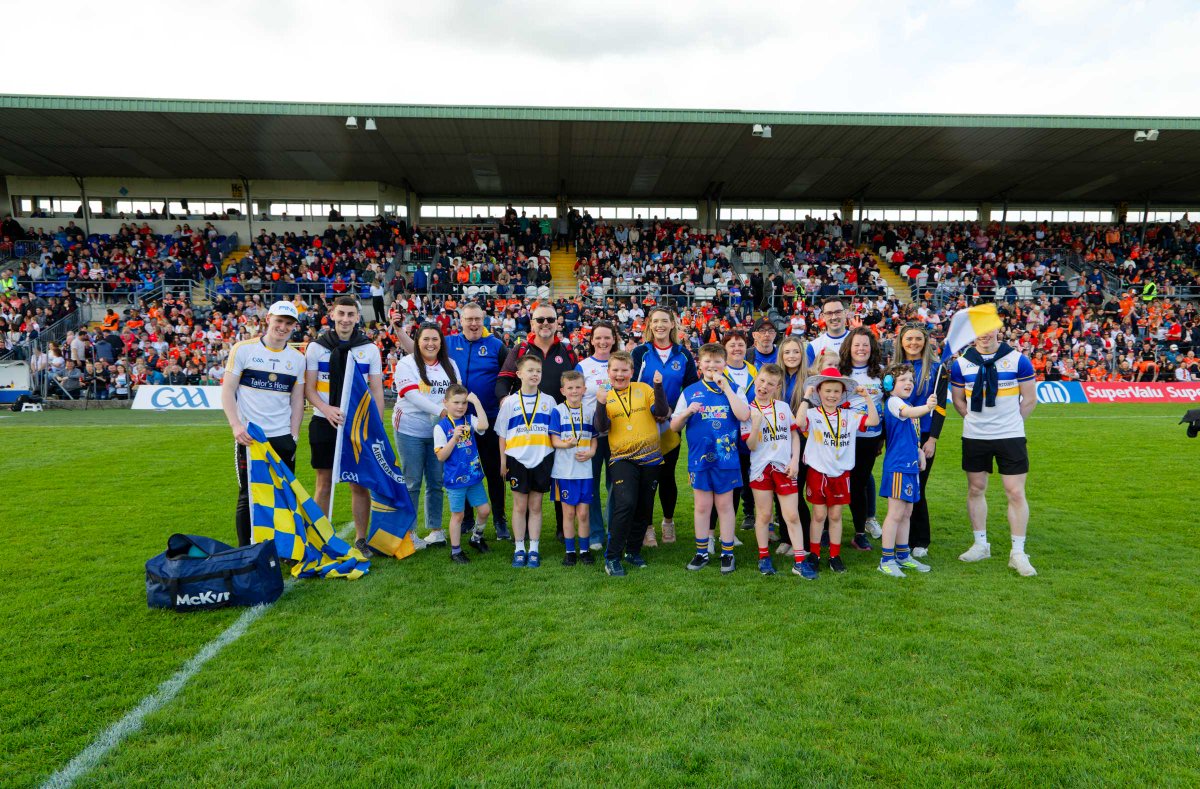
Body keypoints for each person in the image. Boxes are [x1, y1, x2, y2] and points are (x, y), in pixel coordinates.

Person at [950, 328, 1038, 577]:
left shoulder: (1018, 360)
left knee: (1015, 492)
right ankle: (980, 544)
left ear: (997, 330)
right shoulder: (962, 364)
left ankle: (1018, 552)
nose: (983, 335)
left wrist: (1011, 424)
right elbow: (958, 400)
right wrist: (975, 422)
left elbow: (1030, 399)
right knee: (976, 488)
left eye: (987, 329)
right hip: (975, 436)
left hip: (1010, 436)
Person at [304, 295, 387, 556]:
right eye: (341, 314)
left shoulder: (369, 348)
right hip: (323, 421)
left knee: (358, 484)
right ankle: (319, 538)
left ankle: (361, 540)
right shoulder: (316, 348)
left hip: (357, 426)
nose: (345, 319)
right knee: (324, 482)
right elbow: (309, 389)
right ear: (332, 314)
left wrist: (375, 426)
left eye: (351, 314)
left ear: (357, 317)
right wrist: (327, 409)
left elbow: (376, 391)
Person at [223, 300, 305, 547]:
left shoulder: (297, 359)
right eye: (279, 321)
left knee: (284, 494)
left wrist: (294, 435)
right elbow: (227, 390)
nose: (282, 327)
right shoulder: (243, 349)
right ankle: (246, 551)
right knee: (247, 496)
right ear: (268, 318)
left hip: (282, 437)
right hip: (251, 437)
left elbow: (297, 400)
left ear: (294, 327)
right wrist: (236, 426)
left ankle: (282, 547)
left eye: (288, 323)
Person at [496, 302, 577, 540]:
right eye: (540, 319)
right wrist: (504, 401)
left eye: (550, 320)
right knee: (532, 486)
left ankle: (564, 528)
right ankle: (526, 537)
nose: (545, 324)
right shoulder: (521, 350)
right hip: (530, 431)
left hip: (561, 425)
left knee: (563, 476)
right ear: (532, 323)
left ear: (557, 323)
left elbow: (576, 382)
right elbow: (503, 380)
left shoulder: (567, 351)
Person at [671, 342, 751, 574]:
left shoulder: (735, 388)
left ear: (724, 364)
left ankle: (727, 553)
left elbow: (744, 415)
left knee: (725, 506)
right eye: (707, 361)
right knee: (702, 506)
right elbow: (674, 425)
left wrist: (726, 388)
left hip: (726, 458)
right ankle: (701, 552)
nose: (712, 366)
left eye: (717, 361)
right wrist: (687, 412)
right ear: (700, 364)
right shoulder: (690, 391)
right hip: (700, 460)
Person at [795, 366, 879, 580]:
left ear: (842, 394)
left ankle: (834, 555)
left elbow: (873, 421)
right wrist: (806, 397)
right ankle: (814, 554)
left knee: (835, 515)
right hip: (818, 472)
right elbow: (798, 422)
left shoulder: (850, 415)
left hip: (841, 474)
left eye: (836, 391)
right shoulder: (813, 414)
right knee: (819, 515)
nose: (831, 395)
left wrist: (867, 397)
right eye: (827, 391)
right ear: (819, 392)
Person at [593, 351, 670, 577]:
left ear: (632, 372)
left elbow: (662, 412)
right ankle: (612, 557)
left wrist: (657, 386)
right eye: (615, 370)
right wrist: (600, 403)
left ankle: (633, 551)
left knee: (644, 507)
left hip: (651, 458)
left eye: (624, 370)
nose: (620, 374)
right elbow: (601, 427)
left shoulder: (643, 389)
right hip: (622, 458)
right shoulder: (605, 395)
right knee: (625, 503)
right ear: (608, 372)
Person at [632, 307, 699, 546]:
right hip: (643, 424)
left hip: (671, 424)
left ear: (673, 324)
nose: (660, 325)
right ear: (650, 325)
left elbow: (691, 389)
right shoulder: (640, 352)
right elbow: (631, 386)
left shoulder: (683, 355)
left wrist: (671, 410)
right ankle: (647, 526)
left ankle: (668, 522)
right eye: (655, 321)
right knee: (646, 476)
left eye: (665, 321)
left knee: (667, 476)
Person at [444, 302, 510, 541]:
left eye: (477, 319)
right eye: (468, 319)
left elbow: (509, 375)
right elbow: (421, 354)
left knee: (494, 471)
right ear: (460, 320)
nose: (473, 324)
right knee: (464, 468)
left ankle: (500, 519)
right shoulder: (449, 343)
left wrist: (505, 399)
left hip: (489, 419)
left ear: (484, 321)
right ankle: (467, 518)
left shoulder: (496, 345)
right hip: (460, 421)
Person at [394, 322, 461, 546]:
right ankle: (409, 532)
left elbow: (457, 392)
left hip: (439, 433)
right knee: (412, 481)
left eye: (435, 339)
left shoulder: (449, 364)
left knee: (436, 481)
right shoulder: (406, 363)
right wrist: (442, 411)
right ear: (417, 341)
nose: (430, 343)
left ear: (441, 342)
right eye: (426, 339)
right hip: (410, 430)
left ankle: (435, 529)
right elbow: (411, 395)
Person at [741, 364, 805, 576]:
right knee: (764, 515)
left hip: (784, 468)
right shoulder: (747, 411)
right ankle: (764, 557)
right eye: (761, 381)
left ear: (777, 387)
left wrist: (795, 460)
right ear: (756, 380)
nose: (764, 386)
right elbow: (750, 445)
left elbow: (794, 434)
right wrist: (756, 425)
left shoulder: (784, 407)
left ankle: (800, 560)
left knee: (792, 515)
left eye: (770, 383)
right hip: (760, 469)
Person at [891, 323, 949, 557]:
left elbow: (941, 408)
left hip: (923, 435)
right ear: (901, 341)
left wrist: (933, 438)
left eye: (918, 339)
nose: (913, 343)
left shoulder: (937, 368)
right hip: (900, 435)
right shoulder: (893, 368)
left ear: (925, 342)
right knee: (899, 486)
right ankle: (901, 536)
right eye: (908, 339)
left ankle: (920, 540)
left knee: (917, 486)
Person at [876, 365, 939, 578]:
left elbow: (913, 434)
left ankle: (903, 555)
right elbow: (909, 413)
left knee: (907, 513)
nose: (909, 383)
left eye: (911, 379)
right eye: (902, 379)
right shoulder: (895, 402)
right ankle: (886, 559)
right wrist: (928, 407)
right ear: (890, 385)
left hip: (911, 466)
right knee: (895, 513)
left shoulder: (909, 404)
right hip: (898, 467)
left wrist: (920, 451)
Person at [496, 355, 556, 569]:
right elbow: (502, 434)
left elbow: (555, 433)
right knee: (520, 507)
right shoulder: (510, 402)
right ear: (519, 374)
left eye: (538, 371)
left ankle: (534, 549)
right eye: (530, 370)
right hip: (517, 459)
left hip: (541, 458)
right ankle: (519, 548)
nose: (535, 374)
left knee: (536, 506)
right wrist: (503, 461)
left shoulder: (549, 401)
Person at [433, 384, 491, 564]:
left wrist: (477, 402)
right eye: (456, 402)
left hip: (473, 476)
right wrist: (454, 438)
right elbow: (441, 456)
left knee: (484, 510)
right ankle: (456, 551)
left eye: (464, 402)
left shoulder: (469, 419)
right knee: (458, 516)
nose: (460, 406)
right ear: (445, 402)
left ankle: (476, 538)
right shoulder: (441, 427)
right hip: (455, 480)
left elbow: (484, 425)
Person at [839, 328, 885, 551]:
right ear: (849, 347)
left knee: (859, 484)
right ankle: (829, 528)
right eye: (856, 344)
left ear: (872, 347)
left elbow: (888, 407)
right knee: (837, 481)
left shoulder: (881, 374)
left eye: (865, 344)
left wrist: (881, 438)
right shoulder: (839, 372)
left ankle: (859, 532)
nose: (861, 349)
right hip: (840, 437)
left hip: (868, 438)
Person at [576, 320, 619, 550]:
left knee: (616, 484)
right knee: (590, 485)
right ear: (591, 340)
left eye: (607, 337)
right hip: (590, 435)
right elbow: (575, 399)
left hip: (617, 434)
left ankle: (613, 529)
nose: (603, 342)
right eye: (598, 338)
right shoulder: (583, 366)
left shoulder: (621, 363)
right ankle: (594, 533)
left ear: (614, 339)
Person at [549, 370, 597, 567]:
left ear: (584, 389)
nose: (574, 391)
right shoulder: (558, 411)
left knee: (583, 513)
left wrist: (592, 453)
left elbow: (594, 439)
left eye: (578, 387)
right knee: (568, 513)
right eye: (570, 388)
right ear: (563, 390)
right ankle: (570, 551)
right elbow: (554, 440)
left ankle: (584, 550)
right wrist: (566, 445)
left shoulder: (590, 411)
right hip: (564, 471)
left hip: (585, 470)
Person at [806, 296, 852, 367]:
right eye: (829, 313)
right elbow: (809, 375)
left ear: (845, 313)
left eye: (838, 312)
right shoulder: (813, 346)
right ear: (823, 316)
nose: (834, 317)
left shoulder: (859, 342)